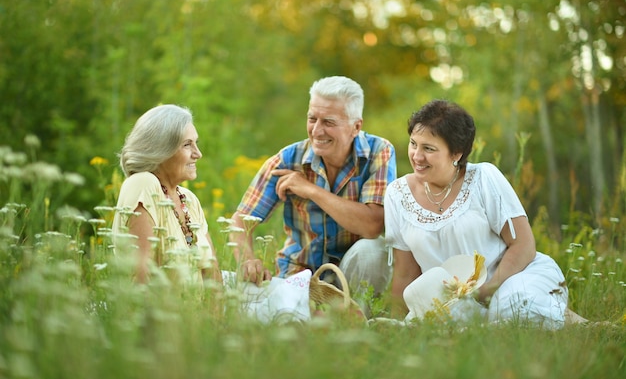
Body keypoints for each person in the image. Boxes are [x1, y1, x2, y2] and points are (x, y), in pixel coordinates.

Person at [385, 99, 571, 329]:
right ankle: (557, 317)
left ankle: (570, 320)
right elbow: (405, 274)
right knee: (429, 324)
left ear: (456, 153)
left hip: (510, 279)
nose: (417, 156)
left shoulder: (483, 178)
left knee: (511, 310)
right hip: (455, 299)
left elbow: (523, 244)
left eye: (429, 148)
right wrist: (394, 324)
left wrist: (488, 291)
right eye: (414, 144)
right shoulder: (397, 194)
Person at [229, 76, 397, 298]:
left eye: (328, 122)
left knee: (373, 251)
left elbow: (372, 226)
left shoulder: (378, 151)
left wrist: (311, 190)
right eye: (312, 119)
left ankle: (356, 325)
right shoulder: (288, 159)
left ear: (356, 126)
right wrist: (248, 259)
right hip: (299, 273)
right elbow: (241, 220)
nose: (317, 131)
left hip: (352, 274)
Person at [112, 104, 221, 285]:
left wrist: (214, 313)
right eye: (187, 145)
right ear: (161, 150)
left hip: (197, 312)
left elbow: (213, 278)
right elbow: (141, 279)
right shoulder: (142, 184)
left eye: (196, 143)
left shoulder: (189, 200)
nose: (198, 154)